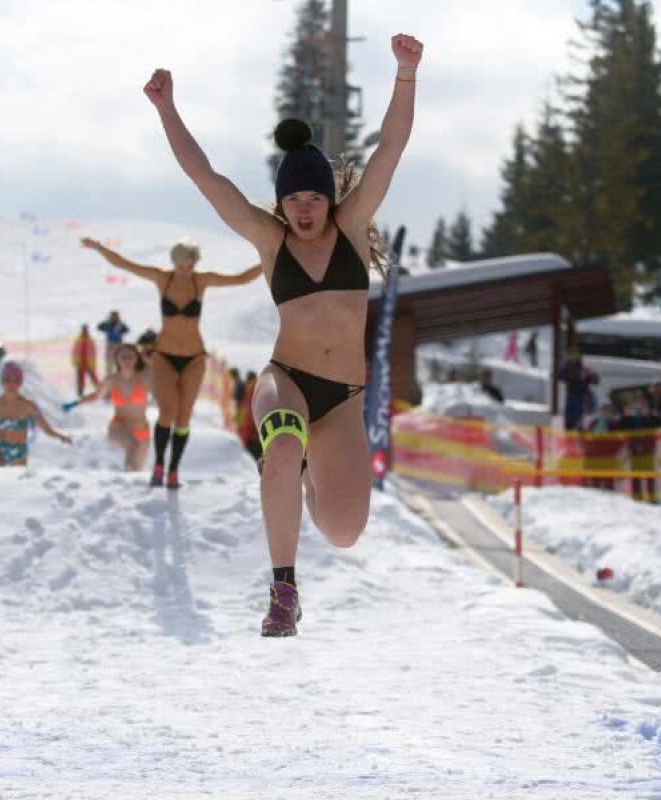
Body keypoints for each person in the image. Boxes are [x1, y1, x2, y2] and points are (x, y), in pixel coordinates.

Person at [144, 32, 423, 636]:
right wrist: (167, 109)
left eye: (311, 197)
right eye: (291, 198)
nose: (302, 208)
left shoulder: (350, 233)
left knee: (345, 531)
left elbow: (391, 150)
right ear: (280, 203)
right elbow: (208, 178)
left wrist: (405, 74)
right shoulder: (271, 244)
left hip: (344, 402)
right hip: (286, 381)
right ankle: (283, 590)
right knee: (285, 445)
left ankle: (297, 475)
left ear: (328, 198)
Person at [81, 238, 261, 490]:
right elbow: (126, 265)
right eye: (178, 263)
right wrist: (100, 248)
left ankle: (173, 470)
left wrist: (271, 257)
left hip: (195, 357)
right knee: (167, 412)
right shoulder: (162, 279)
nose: (183, 268)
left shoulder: (201, 280)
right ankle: (158, 468)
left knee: (184, 417)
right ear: (173, 261)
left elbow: (240, 279)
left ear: (193, 262)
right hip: (164, 355)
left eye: (187, 264)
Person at [72, 344, 153, 472]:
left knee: (137, 468)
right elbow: (96, 396)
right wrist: (76, 402)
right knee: (133, 446)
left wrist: (145, 357)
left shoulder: (144, 377)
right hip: (119, 426)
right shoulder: (111, 380)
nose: (127, 360)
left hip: (142, 428)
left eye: (131, 356)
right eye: (123, 357)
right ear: (117, 360)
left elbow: (161, 372)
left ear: (137, 358)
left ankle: (127, 486)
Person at [557, 349, 599, 431]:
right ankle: (571, 431)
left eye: (573, 356)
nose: (571, 358)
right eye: (570, 356)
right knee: (569, 420)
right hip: (571, 396)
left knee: (578, 420)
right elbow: (560, 376)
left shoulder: (584, 369)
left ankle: (577, 429)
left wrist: (589, 374)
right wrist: (570, 375)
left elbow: (596, 380)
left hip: (581, 398)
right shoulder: (567, 368)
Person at [71, 324, 100, 397]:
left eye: (86, 330)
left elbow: (93, 352)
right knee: (80, 377)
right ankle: (80, 391)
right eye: (84, 330)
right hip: (80, 362)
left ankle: (100, 390)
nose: (85, 331)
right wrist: (75, 361)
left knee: (93, 377)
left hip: (89, 362)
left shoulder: (90, 340)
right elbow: (74, 351)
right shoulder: (78, 340)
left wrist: (93, 362)